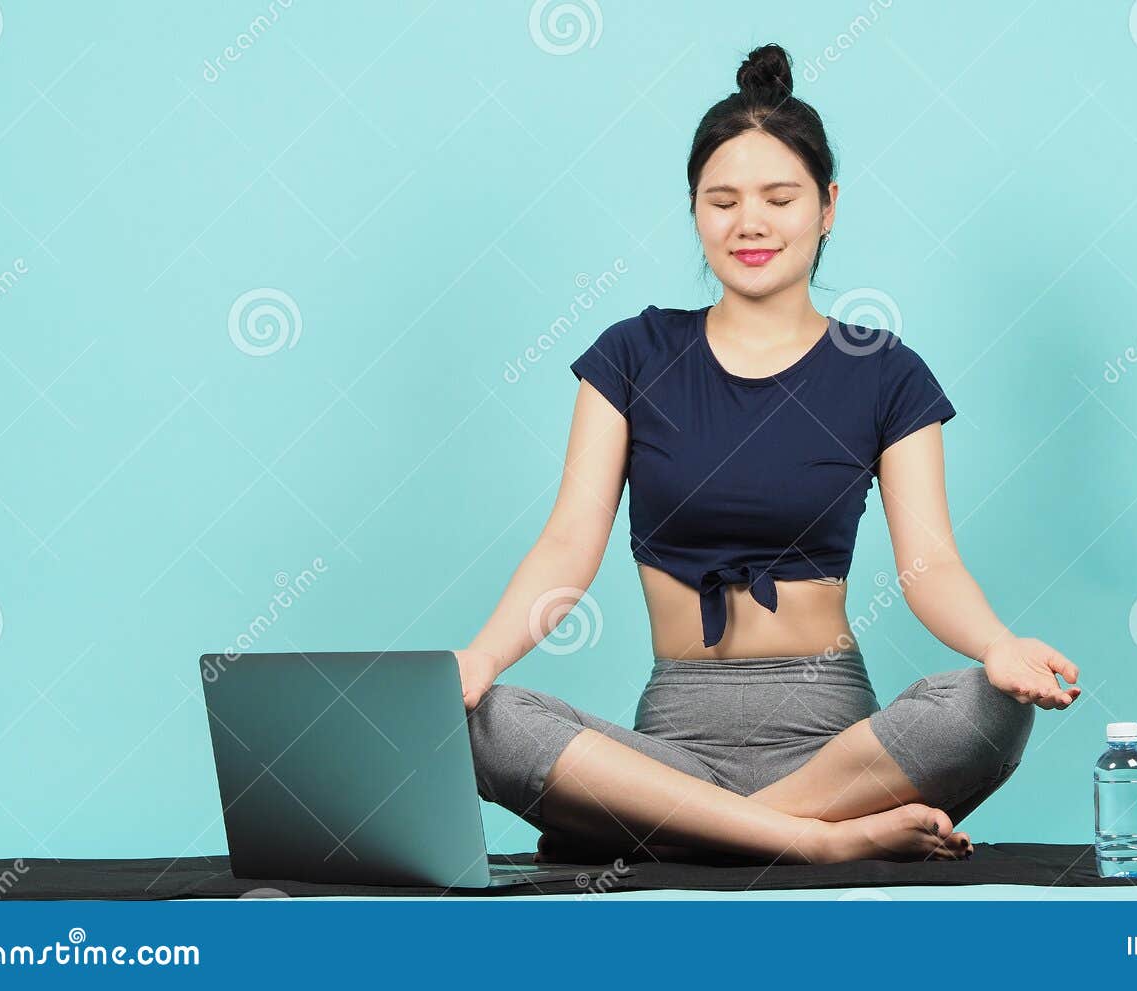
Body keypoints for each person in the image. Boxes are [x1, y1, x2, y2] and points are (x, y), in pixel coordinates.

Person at [450, 43, 1080, 866]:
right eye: (723, 201)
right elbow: (568, 544)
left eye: (780, 198)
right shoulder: (633, 355)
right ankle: (805, 843)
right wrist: (479, 657)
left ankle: (676, 831)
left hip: (838, 753)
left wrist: (998, 644)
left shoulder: (885, 370)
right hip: (669, 746)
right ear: (695, 210)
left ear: (827, 207)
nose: (750, 224)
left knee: (991, 709)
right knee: (479, 719)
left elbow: (931, 566)